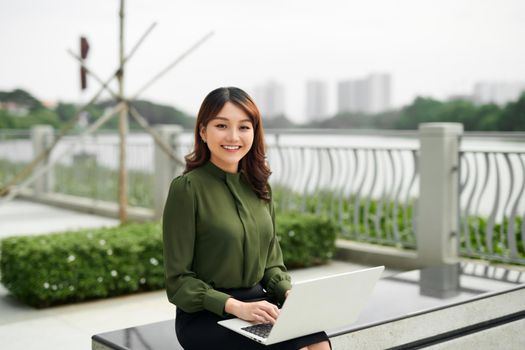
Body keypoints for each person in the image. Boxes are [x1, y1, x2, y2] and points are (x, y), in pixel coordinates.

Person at [162, 87, 331, 350]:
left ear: (254, 132)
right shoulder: (187, 189)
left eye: (244, 127)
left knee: (317, 339)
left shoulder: (259, 186)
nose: (233, 136)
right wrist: (236, 307)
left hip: (259, 304)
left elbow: (272, 264)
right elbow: (178, 281)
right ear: (203, 132)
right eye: (221, 125)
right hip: (206, 315)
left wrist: (288, 293)